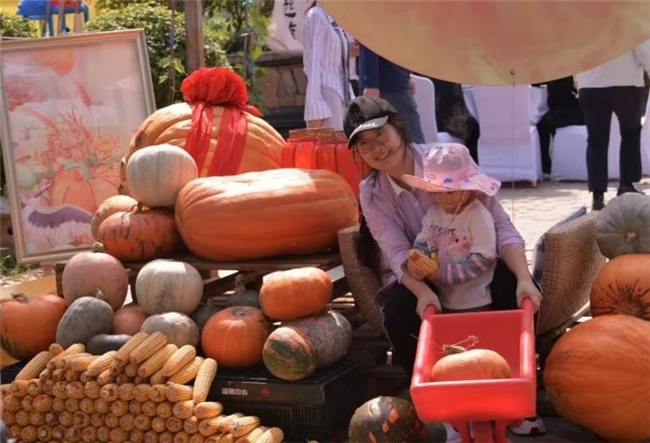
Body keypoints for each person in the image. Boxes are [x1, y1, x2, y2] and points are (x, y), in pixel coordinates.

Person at [344, 96, 546, 437]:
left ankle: (515, 399)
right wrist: (423, 290)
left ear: (398, 128)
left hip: (474, 263)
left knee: (514, 289)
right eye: (363, 143)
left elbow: (501, 226)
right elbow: (396, 252)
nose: (376, 147)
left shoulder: (449, 159)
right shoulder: (371, 191)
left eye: (380, 134)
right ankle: (439, 409)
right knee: (399, 310)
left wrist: (524, 278)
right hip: (424, 275)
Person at [401, 143, 500, 313]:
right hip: (442, 296)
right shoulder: (434, 212)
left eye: (450, 191)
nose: (444, 198)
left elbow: (484, 257)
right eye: (436, 191)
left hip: (474, 300)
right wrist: (418, 260)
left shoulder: (477, 215)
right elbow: (425, 240)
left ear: (468, 187)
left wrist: (444, 274)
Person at [575, 39, 650, 210]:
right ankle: (627, 185)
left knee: (596, 140)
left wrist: (577, 76)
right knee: (630, 134)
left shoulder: (580, 24)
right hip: (626, 81)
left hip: (591, 82)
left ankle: (597, 194)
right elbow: (643, 49)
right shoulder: (626, 21)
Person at [357, 44, 425, 144]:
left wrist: (371, 84)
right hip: (393, 82)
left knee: (409, 143)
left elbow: (372, 43)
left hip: (387, 86)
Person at [301, 1, 352, 130]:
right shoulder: (316, 16)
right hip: (327, 99)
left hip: (343, 97)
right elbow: (313, 66)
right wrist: (315, 110)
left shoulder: (334, 17)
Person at [533, 76, 584, 177]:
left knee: (542, 125)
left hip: (572, 112)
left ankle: (546, 167)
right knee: (545, 123)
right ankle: (547, 165)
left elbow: (535, 82)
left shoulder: (557, 73)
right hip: (570, 111)